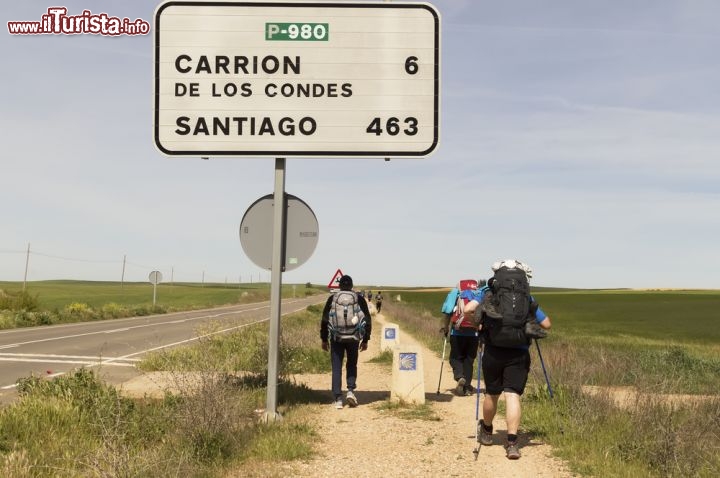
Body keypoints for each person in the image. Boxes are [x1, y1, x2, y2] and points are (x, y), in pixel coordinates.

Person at [464, 260, 551, 460]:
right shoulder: (525, 294)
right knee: (512, 396)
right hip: (519, 351)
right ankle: (512, 443)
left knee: (492, 394)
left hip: (494, 350)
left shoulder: (489, 290)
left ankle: (486, 432)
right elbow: (546, 324)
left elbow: (469, 309)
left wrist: (478, 325)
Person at [320, 275, 372, 409]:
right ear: (351, 286)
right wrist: (365, 339)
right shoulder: (358, 298)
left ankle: (338, 398)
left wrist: (324, 339)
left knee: (336, 367)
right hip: (353, 338)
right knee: (351, 364)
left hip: (336, 338)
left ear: (339, 286)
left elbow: (325, 320)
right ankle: (350, 390)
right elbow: (367, 319)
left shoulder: (333, 298)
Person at [440, 280, 486, 396]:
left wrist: (445, 328)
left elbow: (448, 311)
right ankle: (467, 387)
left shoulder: (457, 294)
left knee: (455, 358)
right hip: (474, 333)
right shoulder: (479, 295)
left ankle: (460, 376)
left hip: (458, 332)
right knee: (469, 360)